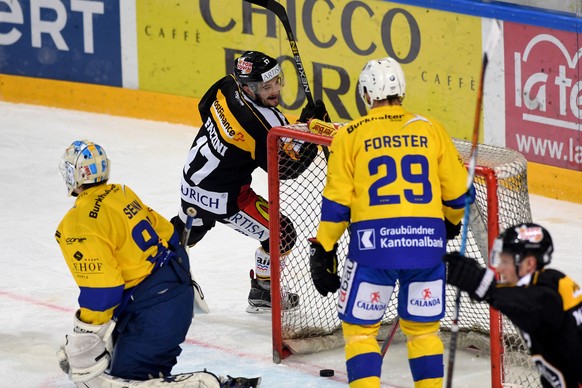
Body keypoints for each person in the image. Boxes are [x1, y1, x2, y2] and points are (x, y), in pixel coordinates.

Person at [308, 57, 473, 388]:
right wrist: (451, 223)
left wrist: (324, 247)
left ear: (367, 94)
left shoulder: (350, 135)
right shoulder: (431, 128)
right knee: (424, 332)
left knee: (360, 334)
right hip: (426, 247)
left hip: (373, 250)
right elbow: (458, 195)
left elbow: (338, 203)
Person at [55, 140, 260, 387]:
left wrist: (84, 335)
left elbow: (103, 291)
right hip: (175, 294)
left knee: (116, 383)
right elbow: (170, 236)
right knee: (117, 372)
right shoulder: (121, 193)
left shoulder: (77, 224)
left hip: (153, 310)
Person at [173, 50, 330, 313]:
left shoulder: (227, 85)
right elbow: (287, 168)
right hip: (227, 199)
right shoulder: (263, 123)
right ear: (247, 87)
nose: (275, 90)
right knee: (283, 235)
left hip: (191, 185)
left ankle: (155, 276)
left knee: (182, 236)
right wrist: (310, 131)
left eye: (277, 82)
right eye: (266, 87)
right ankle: (264, 291)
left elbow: (204, 107)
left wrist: (230, 141)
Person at [444, 223, 582, 388]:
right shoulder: (545, 283)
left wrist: (484, 286)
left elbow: (532, 303)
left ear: (529, 264)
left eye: (505, 261)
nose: (500, 269)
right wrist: (482, 285)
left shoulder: (546, 296)